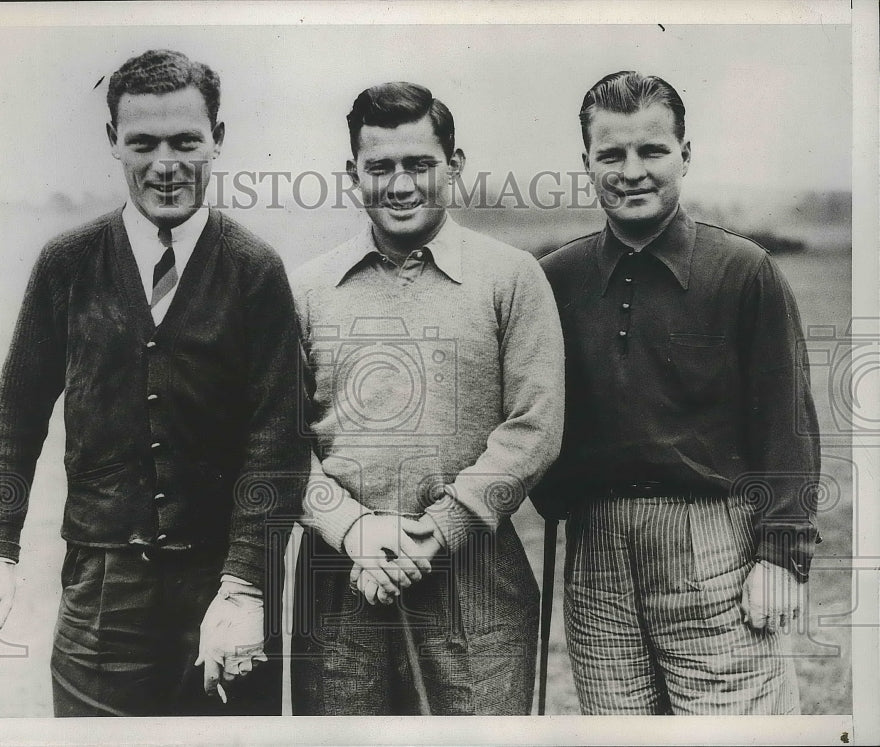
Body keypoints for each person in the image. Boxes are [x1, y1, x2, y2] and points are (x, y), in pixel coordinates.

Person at [0, 49, 307, 717]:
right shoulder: (68, 264)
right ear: (112, 143)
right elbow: (15, 415)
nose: (165, 165)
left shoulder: (255, 270)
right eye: (142, 143)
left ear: (218, 140)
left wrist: (244, 588)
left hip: (222, 587)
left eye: (186, 141)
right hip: (102, 593)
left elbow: (278, 441)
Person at [535, 70, 821, 715]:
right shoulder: (557, 278)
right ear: (587, 164)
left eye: (652, 150)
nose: (631, 171)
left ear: (685, 156)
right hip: (598, 549)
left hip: (714, 536)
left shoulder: (744, 268)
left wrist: (780, 555)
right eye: (611, 154)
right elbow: (536, 411)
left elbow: (787, 422)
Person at [289, 82, 564, 715]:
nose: (402, 184)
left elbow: (535, 427)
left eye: (420, 164)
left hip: (477, 581)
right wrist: (350, 528)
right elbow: (279, 440)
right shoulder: (305, 289)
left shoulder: (513, 277)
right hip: (339, 582)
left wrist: (439, 529)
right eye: (380, 167)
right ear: (352, 174)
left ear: (455, 165)